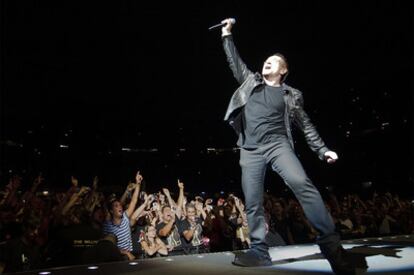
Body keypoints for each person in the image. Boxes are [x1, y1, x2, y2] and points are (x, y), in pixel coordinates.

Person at [219, 18, 354, 274]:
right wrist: (226, 35)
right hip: (250, 149)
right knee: (253, 201)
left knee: (303, 184)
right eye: (266, 60)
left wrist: (322, 149)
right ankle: (259, 251)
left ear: (283, 70)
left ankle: (332, 247)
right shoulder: (250, 82)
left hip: (277, 144)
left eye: (274, 61)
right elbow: (233, 61)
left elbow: (306, 125)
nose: (267, 61)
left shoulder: (290, 95)